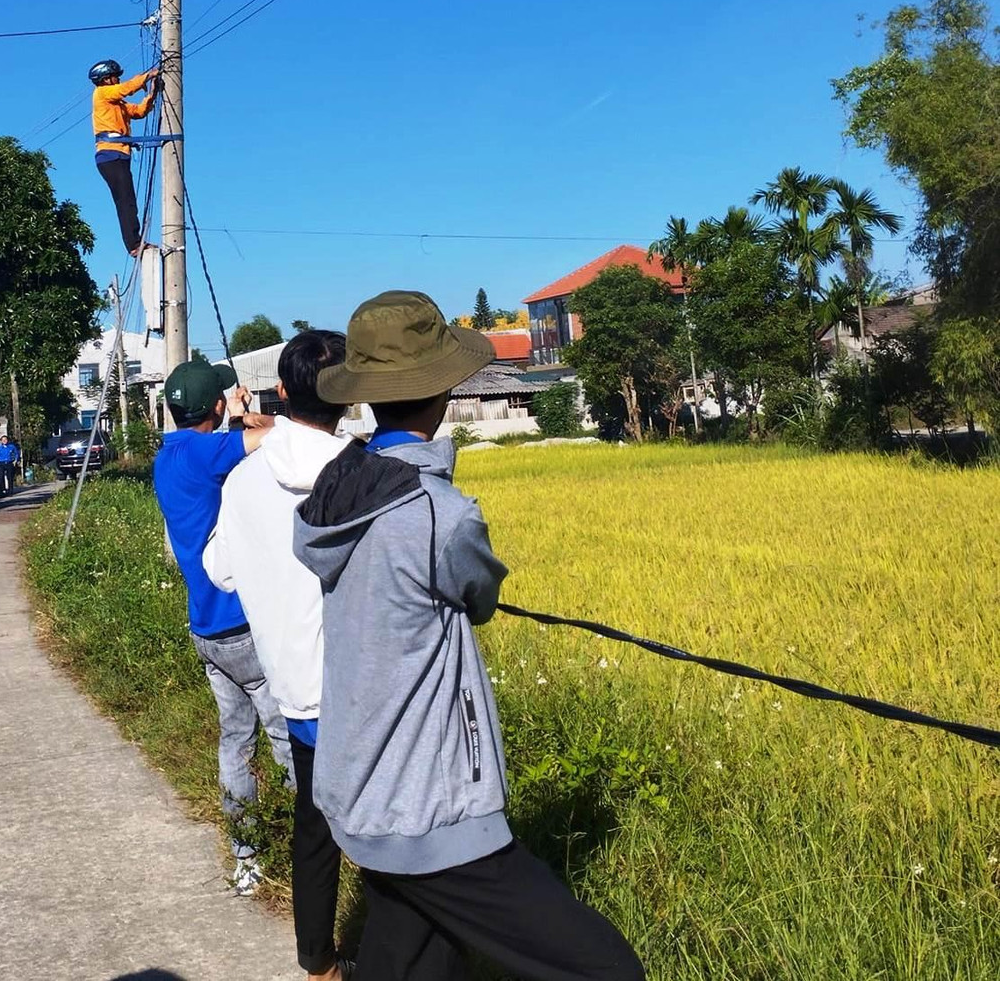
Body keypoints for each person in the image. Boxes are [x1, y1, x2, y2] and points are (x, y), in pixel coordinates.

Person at [294, 291, 646, 981]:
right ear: (444, 389)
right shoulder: (439, 513)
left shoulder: (336, 489)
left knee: (415, 963)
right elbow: (478, 592)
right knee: (607, 969)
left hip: (358, 792)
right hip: (431, 808)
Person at [203, 331, 354, 981]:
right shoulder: (363, 466)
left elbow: (218, 568)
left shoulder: (241, 480)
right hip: (362, 685)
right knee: (394, 832)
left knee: (316, 825)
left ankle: (316, 960)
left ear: (282, 392)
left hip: (295, 687)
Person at [152, 358, 293, 897]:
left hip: (204, 628)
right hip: (242, 624)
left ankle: (247, 856)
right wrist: (253, 416)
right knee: (283, 735)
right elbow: (288, 435)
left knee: (235, 742)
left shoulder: (169, 458)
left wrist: (233, 419)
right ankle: (309, 841)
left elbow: (221, 452)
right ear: (215, 404)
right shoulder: (210, 452)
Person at [89, 59, 160, 255]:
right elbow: (126, 88)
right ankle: (134, 244)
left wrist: (152, 93)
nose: (118, 80)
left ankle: (135, 241)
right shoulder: (102, 93)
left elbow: (138, 111)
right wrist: (147, 76)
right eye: (115, 77)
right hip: (110, 154)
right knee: (125, 200)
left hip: (119, 154)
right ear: (106, 79)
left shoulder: (117, 104)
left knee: (128, 199)